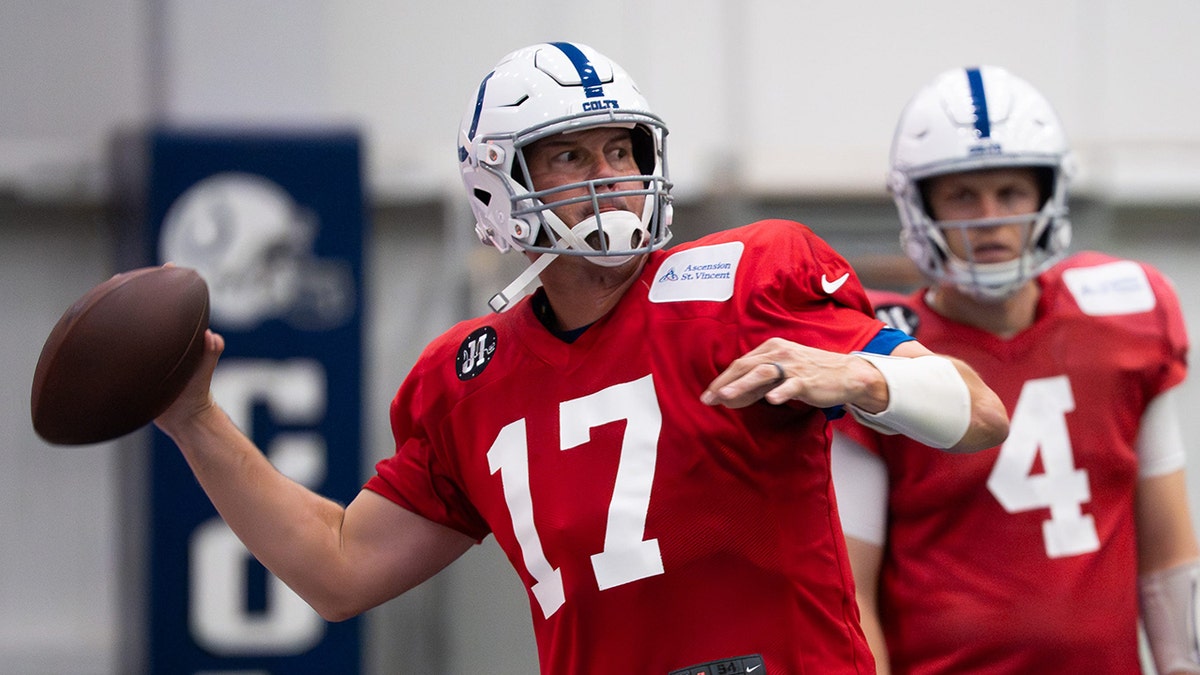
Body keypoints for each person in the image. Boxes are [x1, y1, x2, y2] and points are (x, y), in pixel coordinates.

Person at [154, 42, 1008, 674]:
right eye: (570, 154)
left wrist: (869, 376)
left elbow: (978, 412)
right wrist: (195, 420)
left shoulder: (743, 281)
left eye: (621, 150)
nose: (610, 178)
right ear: (498, 181)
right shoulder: (468, 378)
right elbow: (338, 566)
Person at [831, 65, 1200, 674]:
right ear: (919, 205)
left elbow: (1169, 554)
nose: (988, 219)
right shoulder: (886, 351)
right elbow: (852, 588)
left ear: (1046, 195)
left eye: (1010, 193)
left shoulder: (1128, 316)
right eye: (961, 195)